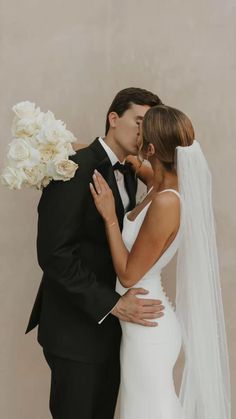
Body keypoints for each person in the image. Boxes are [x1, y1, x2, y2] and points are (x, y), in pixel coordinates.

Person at [25, 87, 165, 419]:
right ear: (113, 119)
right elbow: (54, 254)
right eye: (138, 121)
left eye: (150, 125)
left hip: (111, 334)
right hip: (74, 332)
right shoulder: (73, 168)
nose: (143, 132)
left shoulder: (130, 172)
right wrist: (113, 304)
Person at [90, 105, 231, 419]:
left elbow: (127, 275)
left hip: (147, 324)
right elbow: (140, 167)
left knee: (150, 410)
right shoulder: (160, 183)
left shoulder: (168, 201)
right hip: (140, 323)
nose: (137, 135)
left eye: (142, 131)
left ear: (152, 148)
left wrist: (110, 217)